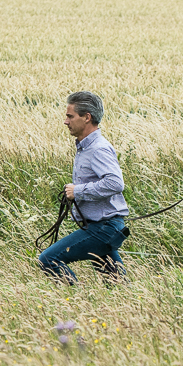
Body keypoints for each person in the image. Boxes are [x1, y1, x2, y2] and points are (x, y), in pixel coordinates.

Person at [38, 91, 129, 284]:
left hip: (103, 228)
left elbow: (115, 183)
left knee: (48, 259)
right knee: (117, 283)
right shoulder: (85, 147)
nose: (65, 121)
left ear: (87, 117)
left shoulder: (98, 149)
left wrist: (77, 191)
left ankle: (76, 304)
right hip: (105, 226)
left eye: (70, 116)